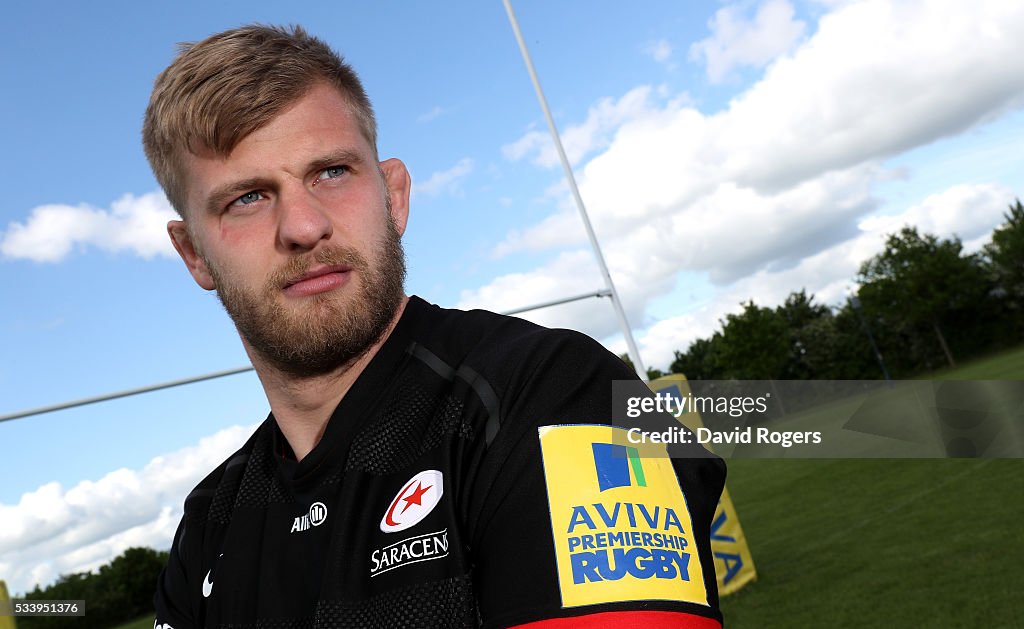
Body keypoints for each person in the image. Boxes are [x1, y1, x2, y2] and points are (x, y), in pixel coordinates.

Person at [143, 24, 726, 629]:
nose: (303, 226)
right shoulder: (210, 522)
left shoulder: (553, 391)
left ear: (394, 195)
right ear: (194, 255)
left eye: (333, 172)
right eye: (247, 198)